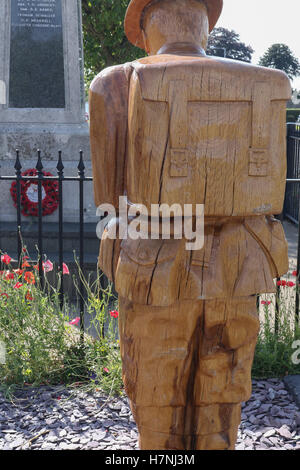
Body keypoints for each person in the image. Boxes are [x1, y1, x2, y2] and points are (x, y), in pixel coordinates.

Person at [89, 0, 291, 450]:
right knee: (224, 385)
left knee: (157, 389)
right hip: (242, 261)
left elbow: (107, 200)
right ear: (205, 27)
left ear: (144, 30)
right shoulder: (255, 83)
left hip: (153, 263)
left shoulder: (114, 82)